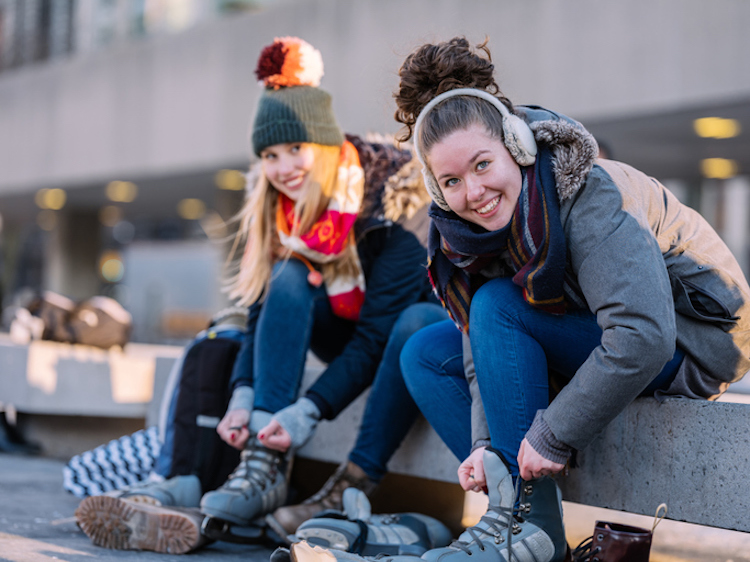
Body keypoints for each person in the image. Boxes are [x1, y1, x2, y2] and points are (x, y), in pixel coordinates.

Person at [334, 36, 748, 562]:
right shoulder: (473, 232)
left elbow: (643, 334)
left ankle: (525, 532)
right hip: (589, 327)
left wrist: (554, 431)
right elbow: (477, 344)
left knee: (496, 305)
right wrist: (484, 444)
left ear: (517, 146)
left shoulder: (591, 192)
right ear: (437, 192)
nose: (474, 192)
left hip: (690, 340)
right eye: (453, 181)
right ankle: (523, 520)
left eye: (483, 164)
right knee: (424, 352)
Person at [75, 36, 447, 554]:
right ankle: (262, 466)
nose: (284, 167)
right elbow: (260, 312)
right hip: (341, 334)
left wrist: (308, 411)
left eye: (296, 148)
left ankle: (352, 482)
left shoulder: (397, 201)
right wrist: (246, 396)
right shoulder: (281, 211)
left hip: (398, 343)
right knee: (289, 279)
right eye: (270, 155)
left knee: (417, 320)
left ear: (323, 142)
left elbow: (376, 336)